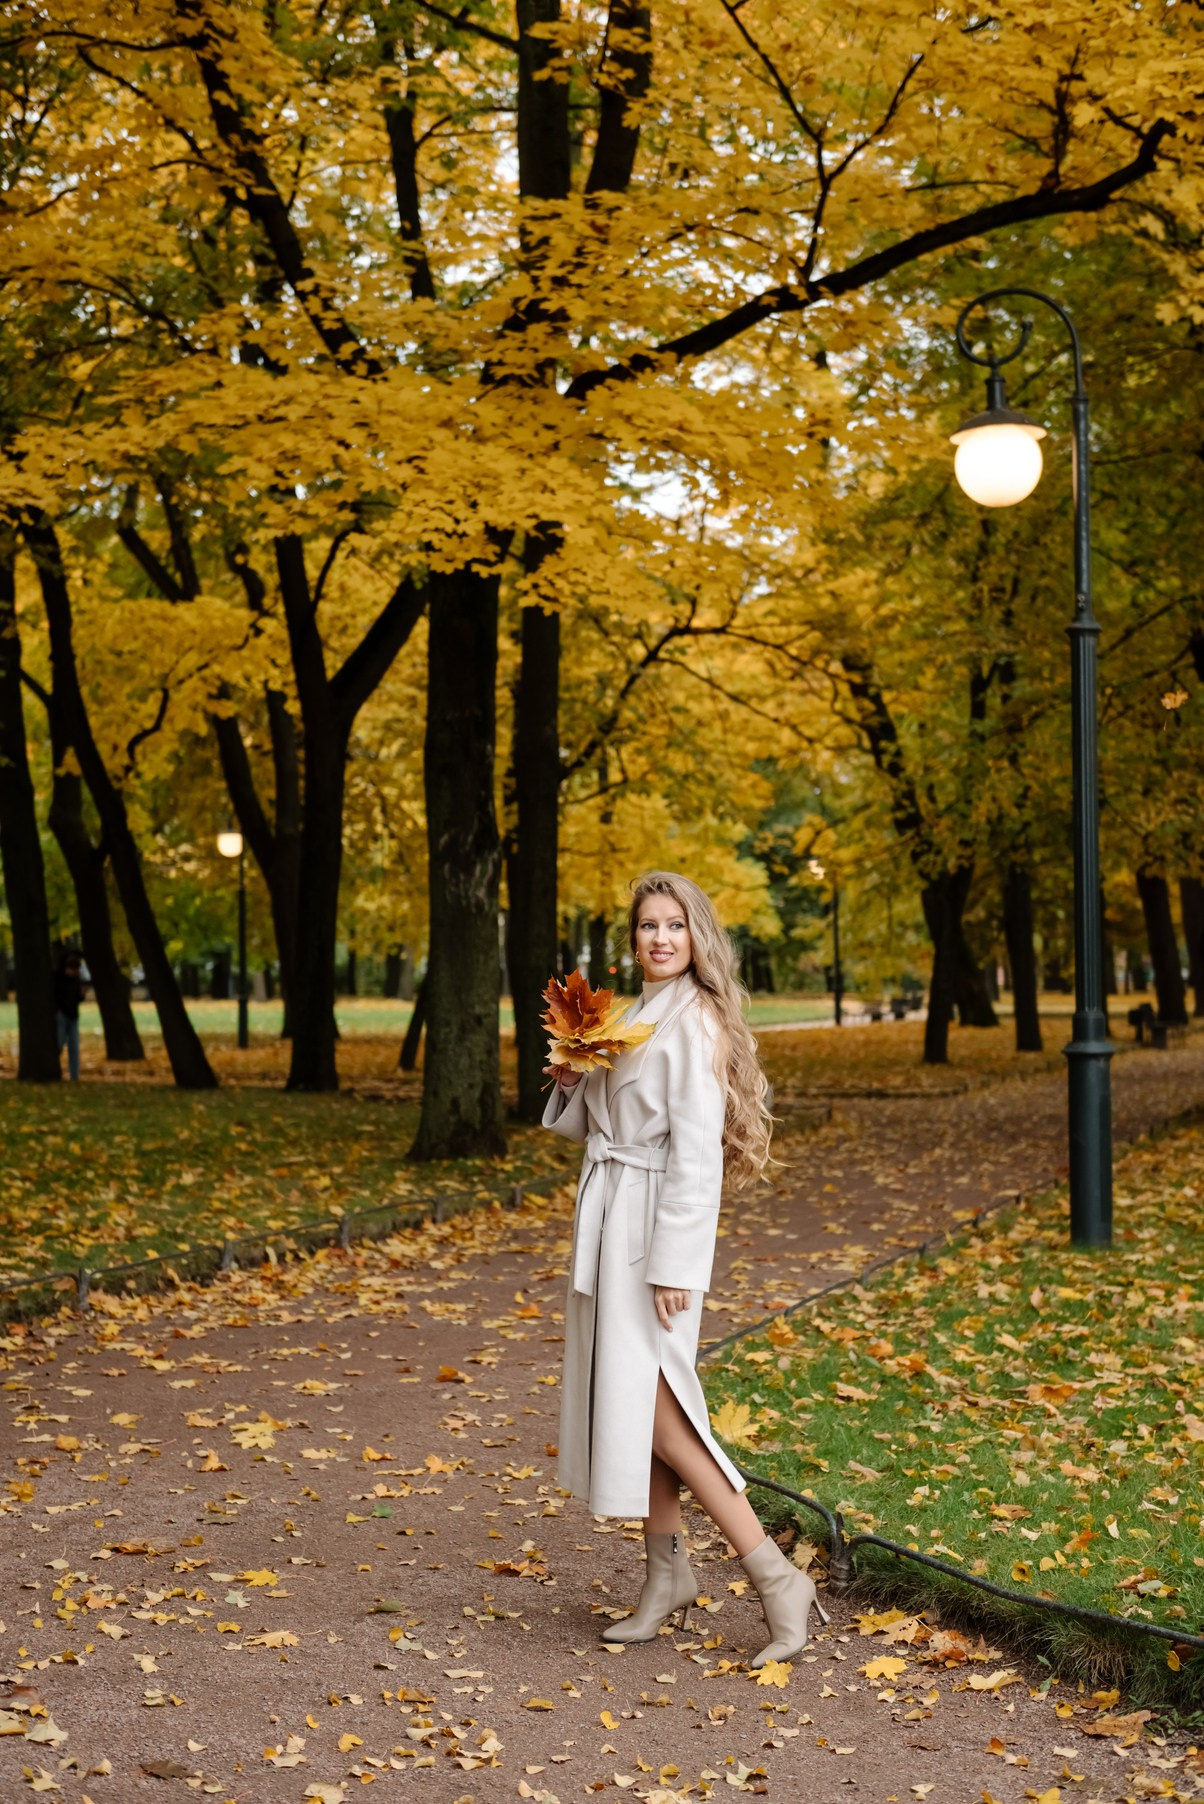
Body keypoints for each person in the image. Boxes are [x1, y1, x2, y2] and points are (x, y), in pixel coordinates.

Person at [542, 870, 828, 1668]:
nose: (659, 938)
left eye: (675, 925)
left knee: (663, 1414)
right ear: (632, 938)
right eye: (646, 926)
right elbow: (601, 1124)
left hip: (651, 1233)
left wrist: (675, 1264)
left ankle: (776, 1577)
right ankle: (665, 1574)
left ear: (698, 936)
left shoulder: (695, 1021)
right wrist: (573, 1081)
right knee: (643, 1408)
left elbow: (697, 1158)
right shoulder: (631, 1014)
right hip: (611, 1217)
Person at [54, 949, 84, 1082]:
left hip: (73, 1016)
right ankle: (56, 1069)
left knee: (74, 1047)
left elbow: (77, 998)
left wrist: (81, 996)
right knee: (59, 1044)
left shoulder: (76, 981)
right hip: (62, 1015)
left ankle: (74, 1075)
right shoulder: (58, 979)